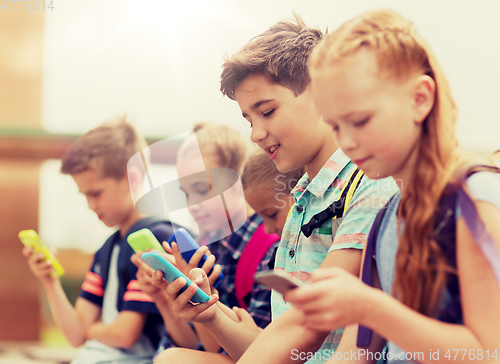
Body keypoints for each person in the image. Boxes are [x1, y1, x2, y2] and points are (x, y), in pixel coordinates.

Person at [162, 16, 398, 364]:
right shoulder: (301, 201)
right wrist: (210, 314)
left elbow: (307, 326)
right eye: (249, 119)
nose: (255, 133)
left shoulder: (369, 184)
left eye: (267, 111)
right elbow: (287, 348)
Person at [285, 9, 500, 364]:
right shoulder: (386, 217)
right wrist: (367, 310)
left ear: (420, 99)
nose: (348, 142)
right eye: (336, 126)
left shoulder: (474, 202)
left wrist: (371, 308)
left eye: (360, 120)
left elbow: (489, 351)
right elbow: (358, 351)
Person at [23, 118, 192, 364]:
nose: (91, 206)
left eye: (96, 193)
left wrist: (89, 330)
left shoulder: (155, 240)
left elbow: (124, 335)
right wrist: (49, 281)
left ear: (131, 179)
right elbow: (74, 334)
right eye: (85, 195)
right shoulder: (107, 248)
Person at [146, 123, 281, 363]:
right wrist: (174, 296)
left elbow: (266, 351)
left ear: (239, 178)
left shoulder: (270, 246)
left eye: (201, 189)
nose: (192, 204)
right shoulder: (205, 246)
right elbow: (203, 346)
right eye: (186, 193)